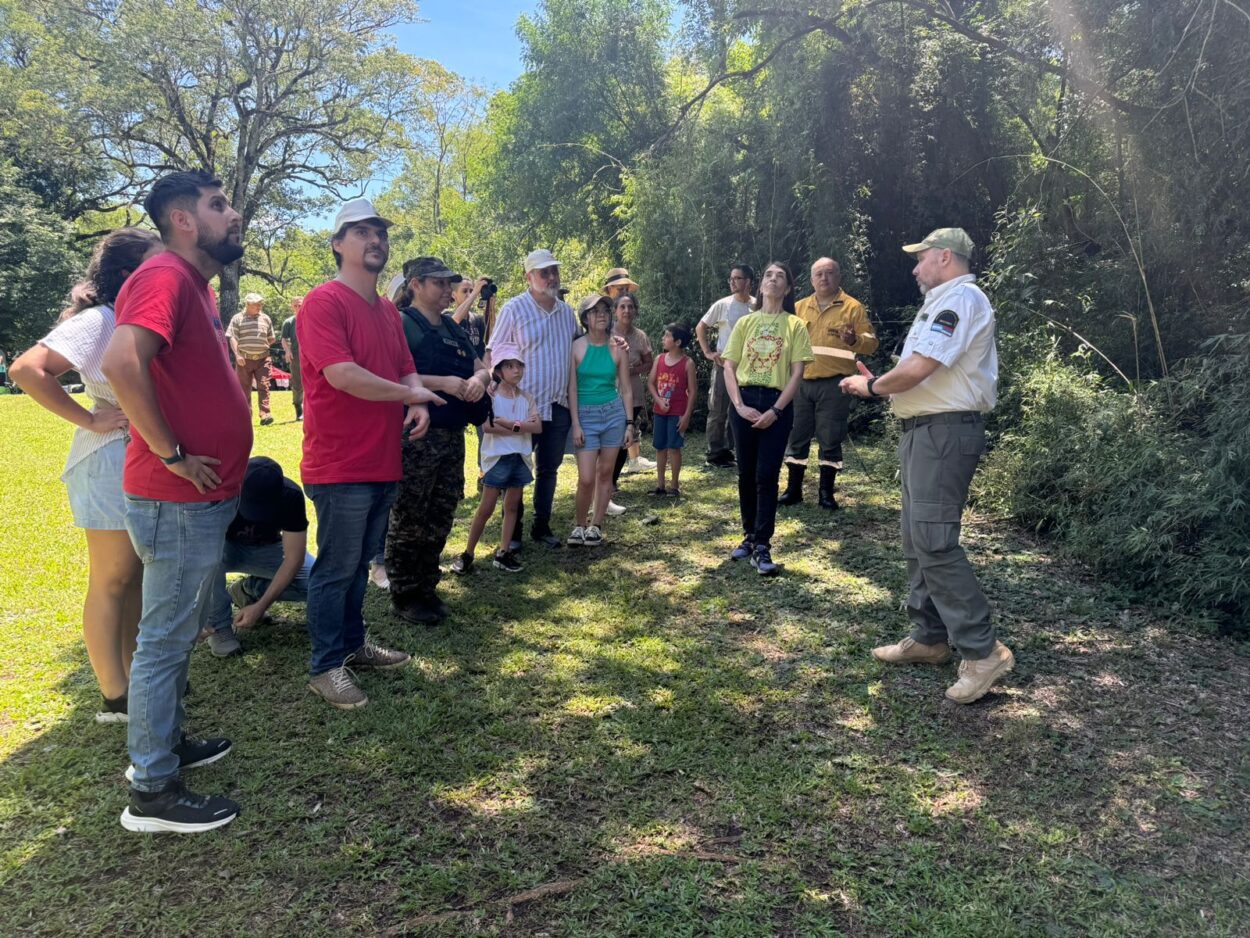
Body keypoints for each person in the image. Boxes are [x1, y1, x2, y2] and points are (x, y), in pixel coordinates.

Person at [101, 170, 252, 833]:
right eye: (220, 206)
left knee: (173, 634)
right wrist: (169, 453)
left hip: (196, 499)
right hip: (175, 497)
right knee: (163, 641)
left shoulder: (194, 283)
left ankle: (164, 745)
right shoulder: (163, 277)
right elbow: (122, 362)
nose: (234, 214)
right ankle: (152, 792)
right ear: (182, 219)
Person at [841, 228, 1015, 704]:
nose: (915, 269)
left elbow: (919, 370)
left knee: (934, 540)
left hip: (943, 432)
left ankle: (983, 652)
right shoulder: (943, 301)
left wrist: (873, 389)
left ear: (943, 257)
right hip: (924, 431)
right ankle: (929, 637)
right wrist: (881, 381)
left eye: (919, 260)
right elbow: (919, 369)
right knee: (917, 538)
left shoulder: (960, 299)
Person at [9, 227, 164, 723]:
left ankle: (133, 676)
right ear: (125, 274)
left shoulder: (137, 317)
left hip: (139, 458)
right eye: (153, 263)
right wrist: (90, 417)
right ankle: (114, 695)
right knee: (112, 579)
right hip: (108, 458)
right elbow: (27, 369)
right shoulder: (101, 320)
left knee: (134, 576)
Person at [297, 198, 442, 709]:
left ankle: (353, 646)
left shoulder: (386, 310)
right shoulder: (322, 303)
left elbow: (405, 367)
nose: (374, 239)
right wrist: (412, 396)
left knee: (358, 565)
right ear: (338, 244)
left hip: (383, 459)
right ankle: (324, 666)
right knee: (336, 567)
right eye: (361, 232)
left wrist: (415, 399)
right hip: (339, 465)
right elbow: (343, 375)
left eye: (379, 231)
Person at [386, 257, 491, 625]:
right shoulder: (401, 323)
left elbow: (480, 364)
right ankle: (404, 593)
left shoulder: (451, 326)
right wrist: (443, 382)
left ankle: (427, 586)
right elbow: (390, 375)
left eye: (451, 284)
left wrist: (481, 379)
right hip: (418, 433)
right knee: (411, 513)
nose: (448, 291)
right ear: (415, 284)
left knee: (442, 511)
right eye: (440, 284)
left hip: (451, 434)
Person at [721, 262, 814, 576]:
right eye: (768, 276)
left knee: (766, 475)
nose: (773, 280)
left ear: (787, 289)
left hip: (777, 403)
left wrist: (776, 410)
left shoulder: (795, 326)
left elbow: (797, 373)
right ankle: (748, 535)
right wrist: (737, 404)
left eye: (781, 277)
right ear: (760, 286)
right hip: (744, 401)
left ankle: (762, 544)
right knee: (746, 473)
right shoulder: (746, 323)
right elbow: (729, 367)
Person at [485, 249, 579, 549]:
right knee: (516, 466)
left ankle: (542, 526)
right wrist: (494, 383)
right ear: (529, 277)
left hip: (558, 402)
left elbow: (579, 347)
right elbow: (495, 350)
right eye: (543, 272)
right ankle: (512, 534)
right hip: (523, 405)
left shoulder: (567, 312)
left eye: (554, 270)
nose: (551, 277)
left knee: (549, 468)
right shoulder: (514, 309)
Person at [780, 257, 879, 510]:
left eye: (830, 273)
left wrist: (855, 340)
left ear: (839, 277)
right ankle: (793, 490)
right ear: (811, 279)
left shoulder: (852, 308)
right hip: (801, 383)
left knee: (830, 437)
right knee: (796, 435)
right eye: (819, 274)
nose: (824, 278)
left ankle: (826, 493)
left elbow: (872, 342)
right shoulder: (799, 307)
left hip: (836, 385)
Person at [200, 456, 314, 658]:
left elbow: (293, 559)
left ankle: (250, 591)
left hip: (267, 550)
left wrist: (261, 606)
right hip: (225, 548)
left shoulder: (291, 495)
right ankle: (220, 627)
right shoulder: (220, 490)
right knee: (209, 557)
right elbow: (198, 549)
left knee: (315, 581)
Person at [452, 345, 540, 575]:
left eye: (519, 366)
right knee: (486, 507)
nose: (516, 371)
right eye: (510, 366)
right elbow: (488, 426)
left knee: (512, 506)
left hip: (520, 458)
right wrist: (520, 427)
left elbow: (537, 425)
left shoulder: (527, 397)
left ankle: (503, 552)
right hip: (496, 459)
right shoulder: (491, 396)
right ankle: (468, 553)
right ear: (499, 370)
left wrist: (509, 424)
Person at [567, 294, 635, 546]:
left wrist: (630, 423)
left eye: (605, 310)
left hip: (613, 414)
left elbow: (626, 389)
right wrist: (575, 423)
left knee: (605, 472)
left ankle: (596, 525)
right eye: (595, 312)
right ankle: (579, 525)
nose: (602, 315)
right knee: (586, 477)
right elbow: (571, 389)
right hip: (585, 414)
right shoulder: (576, 347)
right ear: (585, 318)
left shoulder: (618, 346)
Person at [697, 264, 755, 468]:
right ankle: (715, 453)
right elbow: (701, 326)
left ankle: (731, 451)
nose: (732, 282)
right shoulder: (723, 304)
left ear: (748, 282)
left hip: (749, 366)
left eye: (737, 278)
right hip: (724, 364)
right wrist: (707, 352)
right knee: (718, 408)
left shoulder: (757, 306)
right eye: (731, 278)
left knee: (740, 408)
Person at [609, 291, 656, 481]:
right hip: (608, 391)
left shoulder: (640, 336)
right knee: (610, 437)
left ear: (635, 311)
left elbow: (649, 363)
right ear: (615, 311)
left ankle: (611, 481)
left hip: (633, 392)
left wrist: (631, 370)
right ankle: (603, 479)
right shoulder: (606, 332)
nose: (626, 310)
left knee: (623, 436)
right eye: (622, 307)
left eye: (630, 307)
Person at [647, 322, 697, 497]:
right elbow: (650, 383)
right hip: (659, 412)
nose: (663, 338)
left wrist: (686, 416)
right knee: (660, 447)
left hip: (678, 413)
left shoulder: (687, 363)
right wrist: (659, 402)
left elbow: (692, 392)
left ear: (677, 342)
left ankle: (674, 486)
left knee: (674, 449)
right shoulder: (659, 359)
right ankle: (660, 485)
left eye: (667, 335)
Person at [227, 292, 276, 426]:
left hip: (263, 358)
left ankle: (265, 414)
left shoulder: (265, 318)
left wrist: (262, 344)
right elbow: (232, 337)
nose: (260, 306)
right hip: (244, 359)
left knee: (264, 385)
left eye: (261, 304)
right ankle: (246, 416)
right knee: (244, 388)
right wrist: (238, 355)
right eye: (256, 305)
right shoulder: (237, 319)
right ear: (248, 305)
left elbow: (272, 338)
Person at [280, 295, 304, 420]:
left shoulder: (311, 319)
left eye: (300, 305)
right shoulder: (289, 322)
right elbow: (283, 339)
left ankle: (313, 409)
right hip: (296, 356)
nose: (298, 307)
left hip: (312, 356)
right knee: (297, 384)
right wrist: (287, 351)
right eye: (295, 305)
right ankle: (299, 410)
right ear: (292, 307)